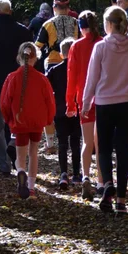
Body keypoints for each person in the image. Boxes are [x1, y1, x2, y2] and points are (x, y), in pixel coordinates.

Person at [81, 6, 128, 215]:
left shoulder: (100, 48)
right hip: (127, 103)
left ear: (108, 24)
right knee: (122, 151)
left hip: (104, 103)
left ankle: (107, 184)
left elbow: (92, 78)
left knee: (103, 148)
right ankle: (121, 200)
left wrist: (85, 103)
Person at [0, 0, 35, 177]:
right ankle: (18, 160)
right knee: (18, 124)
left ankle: (4, 164)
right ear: (10, 11)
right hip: (19, 86)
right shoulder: (24, 32)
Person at [0, 42, 56, 199]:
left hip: (19, 121)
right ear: (35, 58)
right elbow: (50, 101)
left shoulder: (12, 77)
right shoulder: (42, 78)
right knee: (33, 153)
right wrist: (49, 119)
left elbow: (4, 102)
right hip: (37, 121)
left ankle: (20, 172)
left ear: (19, 57)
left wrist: (9, 119)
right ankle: (31, 188)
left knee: (21, 154)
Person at [66, 11, 104, 198]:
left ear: (81, 28)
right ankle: (102, 181)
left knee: (87, 141)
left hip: (84, 99)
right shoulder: (104, 43)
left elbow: (71, 76)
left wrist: (70, 102)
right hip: (105, 97)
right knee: (101, 142)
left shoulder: (76, 46)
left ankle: (86, 176)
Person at [46, 38, 81, 189]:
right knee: (75, 142)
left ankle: (63, 173)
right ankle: (77, 173)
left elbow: (47, 90)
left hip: (60, 111)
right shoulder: (80, 70)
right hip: (77, 110)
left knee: (62, 143)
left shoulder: (54, 70)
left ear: (61, 54)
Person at [35, 0, 80, 67]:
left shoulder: (48, 24)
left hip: (53, 63)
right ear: (68, 9)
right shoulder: (77, 23)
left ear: (54, 8)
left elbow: (37, 46)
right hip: (73, 62)